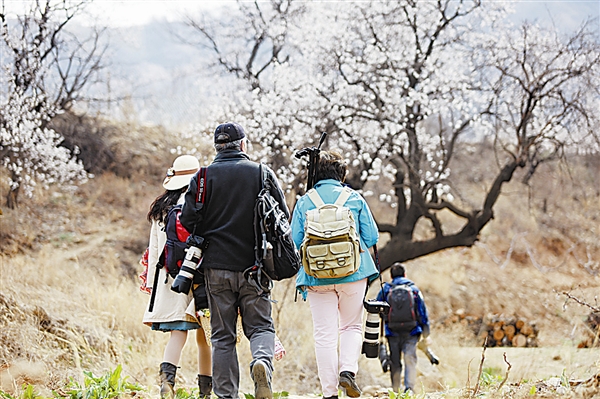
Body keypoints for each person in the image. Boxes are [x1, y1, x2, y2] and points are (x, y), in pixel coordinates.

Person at [180, 122, 289, 399]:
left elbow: (187, 220)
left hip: (216, 270)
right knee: (261, 327)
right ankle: (262, 362)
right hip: (255, 267)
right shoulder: (262, 174)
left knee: (222, 337)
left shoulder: (202, 178)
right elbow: (282, 217)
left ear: (217, 147)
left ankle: (226, 395)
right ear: (243, 145)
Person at [290, 150, 380, 399]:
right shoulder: (354, 197)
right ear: (341, 174)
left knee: (324, 335)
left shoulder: (304, 201)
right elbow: (371, 237)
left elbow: (293, 241)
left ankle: (329, 393)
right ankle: (348, 371)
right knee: (351, 326)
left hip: (316, 277)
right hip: (354, 273)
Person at [141, 155, 212, 399]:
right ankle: (205, 392)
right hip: (200, 277)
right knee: (205, 338)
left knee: (177, 334)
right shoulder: (201, 204)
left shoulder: (161, 208)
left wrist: (151, 285)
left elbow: (154, 250)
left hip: (170, 279)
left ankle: (167, 384)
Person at [376, 262, 430, 394]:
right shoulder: (414, 290)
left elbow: (377, 307)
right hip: (412, 331)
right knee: (409, 359)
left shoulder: (386, 289)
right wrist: (426, 331)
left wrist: (386, 320)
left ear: (391, 276)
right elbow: (422, 311)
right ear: (405, 274)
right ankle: (409, 389)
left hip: (392, 331)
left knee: (395, 361)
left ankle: (395, 390)